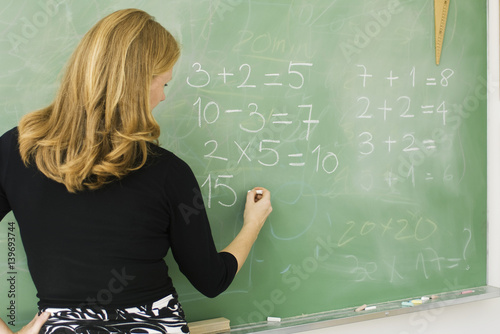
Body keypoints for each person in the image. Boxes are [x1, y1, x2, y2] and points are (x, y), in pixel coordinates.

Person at [0, 8, 272, 334]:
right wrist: (252, 225)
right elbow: (212, 280)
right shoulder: (169, 173)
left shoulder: (17, 151)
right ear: (136, 87)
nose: (163, 97)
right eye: (163, 84)